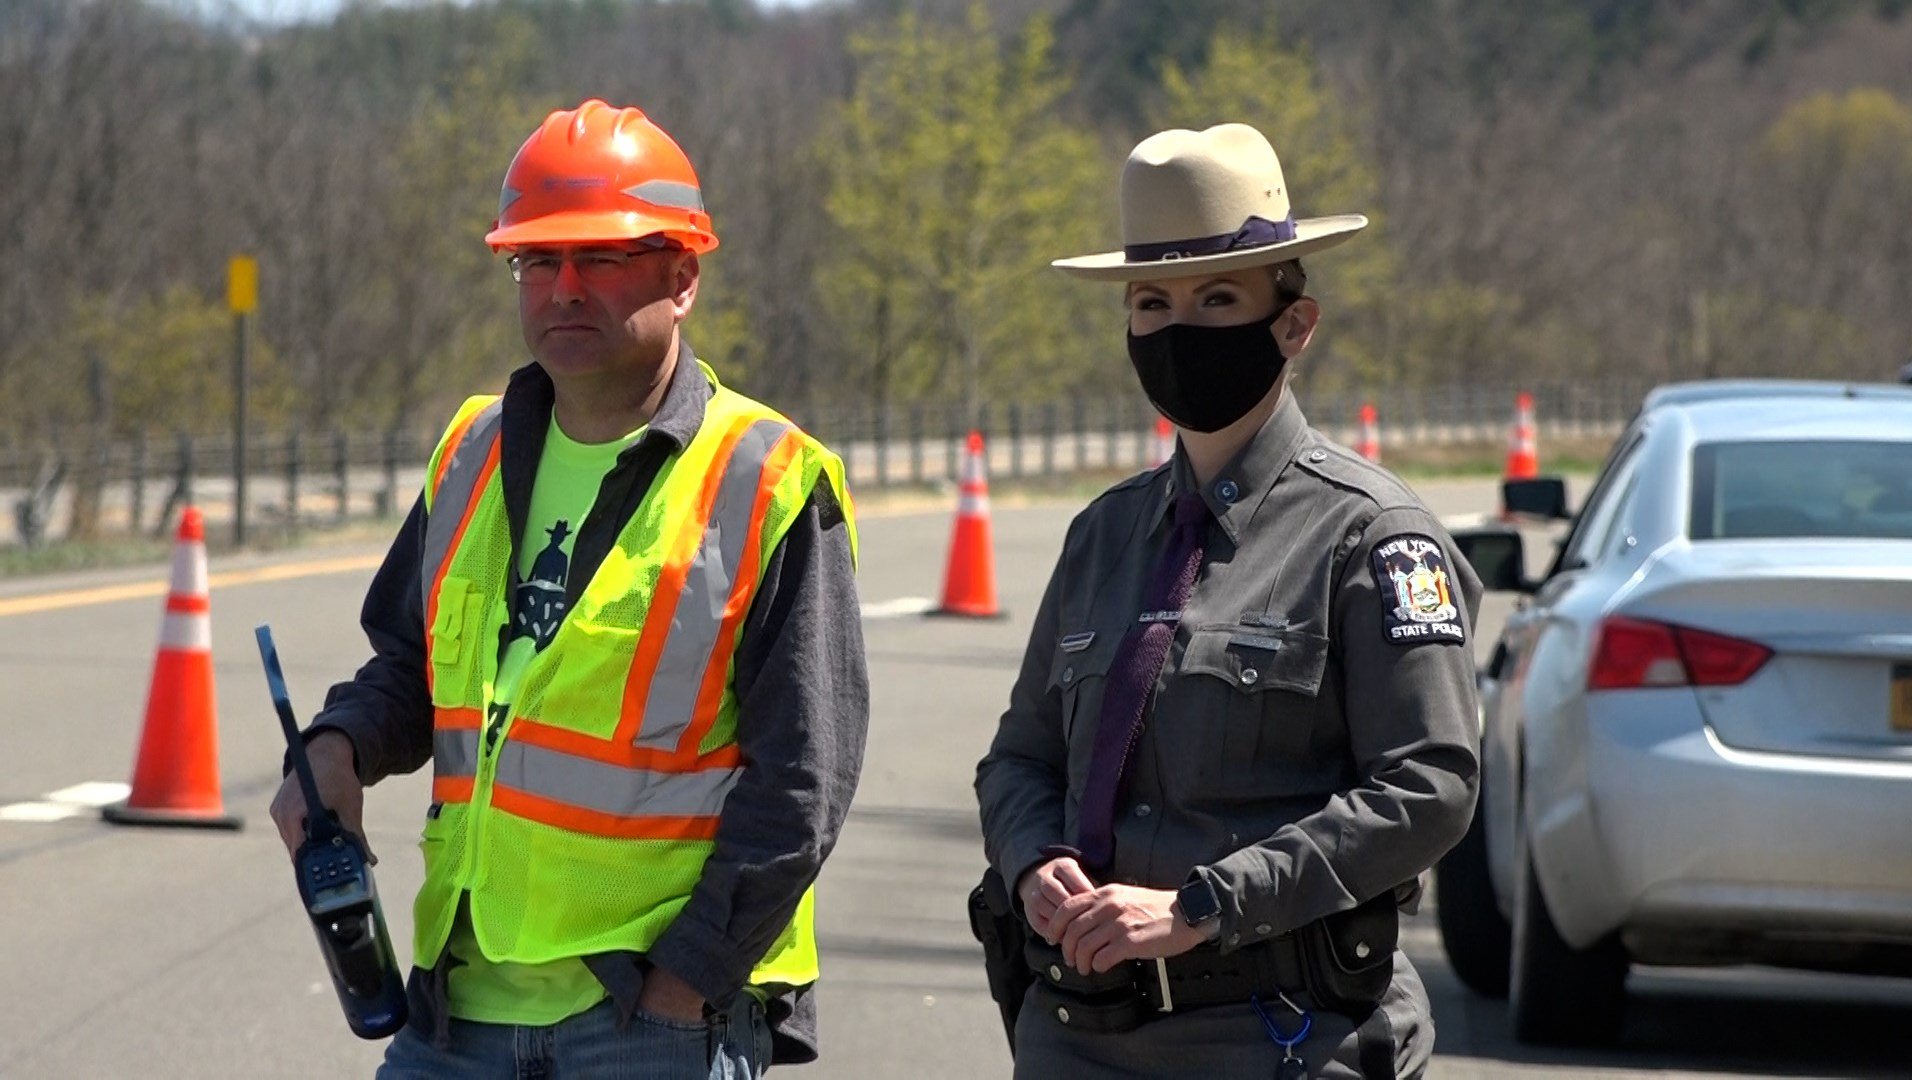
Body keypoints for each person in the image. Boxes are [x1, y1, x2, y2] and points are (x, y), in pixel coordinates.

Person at [268, 99, 868, 1078]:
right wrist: (335, 746)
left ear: (683, 276)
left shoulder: (770, 479)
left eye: (604, 258)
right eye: (537, 262)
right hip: (455, 1014)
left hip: (650, 1023)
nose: (564, 288)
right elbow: (412, 669)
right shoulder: (471, 449)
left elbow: (804, 785)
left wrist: (684, 983)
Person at [975, 123, 1481, 1078]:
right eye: (1152, 303)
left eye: (1217, 298)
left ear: (1295, 323)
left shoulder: (1371, 538)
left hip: (1281, 1033)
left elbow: (1430, 786)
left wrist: (1202, 905)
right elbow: (1021, 757)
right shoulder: (1103, 535)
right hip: (1079, 1034)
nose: (1180, 330)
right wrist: (1032, 863)